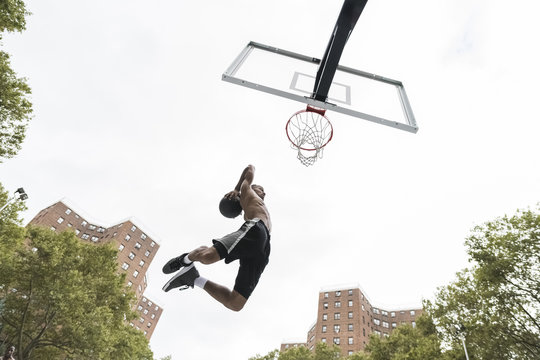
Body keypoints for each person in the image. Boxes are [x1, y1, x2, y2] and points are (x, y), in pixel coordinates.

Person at [162, 165, 271, 311]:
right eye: (261, 189)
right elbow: (250, 168)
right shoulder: (247, 190)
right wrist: (237, 189)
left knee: (235, 303)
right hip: (255, 230)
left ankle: (193, 278)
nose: (264, 193)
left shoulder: (258, 206)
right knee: (207, 257)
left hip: (264, 247)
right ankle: (184, 259)